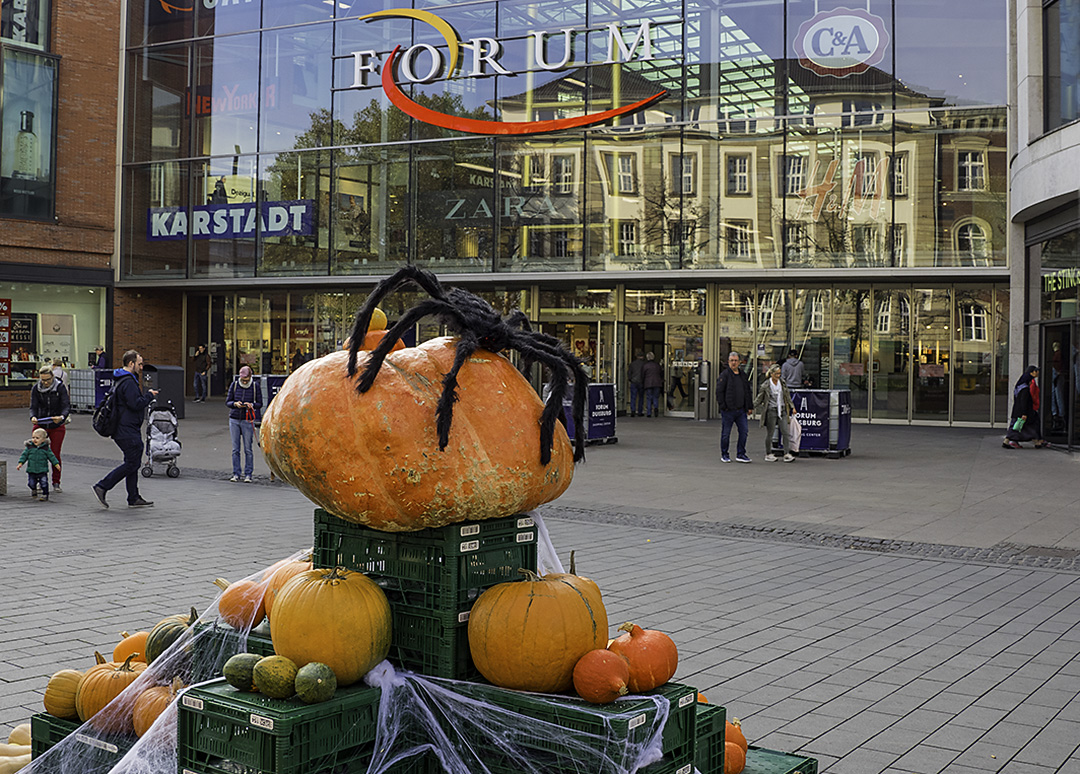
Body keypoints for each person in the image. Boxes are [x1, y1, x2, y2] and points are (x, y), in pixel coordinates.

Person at [92, 350, 158, 508]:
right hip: (125, 429)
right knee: (132, 463)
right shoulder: (128, 381)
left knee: (132, 461)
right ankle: (103, 486)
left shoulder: (122, 379)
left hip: (124, 428)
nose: (141, 367)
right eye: (139, 363)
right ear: (131, 363)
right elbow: (135, 404)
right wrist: (149, 396)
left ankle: (133, 497)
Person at [30, 364, 70, 493]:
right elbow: (33, 406)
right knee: (36, 453)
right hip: (41, 423)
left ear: (53, 377)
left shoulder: (60, 387)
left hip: (56, 424)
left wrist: (62, 416)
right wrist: (33, 417)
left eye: (48, 379)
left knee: (54, 454)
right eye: (43, 380)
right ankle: (37, 481)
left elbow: (66, 405)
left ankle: (56, 482)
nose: (46, 382)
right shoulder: (36, 388)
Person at [227, 365, 263, 483]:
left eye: (246, 379)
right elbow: (228, 401)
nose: (244, 381)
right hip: (234, 418)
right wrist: (234, 404)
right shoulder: (235, 385)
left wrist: (251, 404)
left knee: (248, 449)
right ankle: (236, 473)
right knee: (235, 449)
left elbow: (260, 403)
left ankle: (248, 474)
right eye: (242, 379)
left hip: (247, 420)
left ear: (250, 376)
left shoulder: (255, 386)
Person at [716, 351, 754, 463]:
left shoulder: (743, 375)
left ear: (739, 362)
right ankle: (724, 454)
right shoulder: (724, 375)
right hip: (728, 411)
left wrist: (749, 406)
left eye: (736, 360)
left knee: (744, 432)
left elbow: (747, 391)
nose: (734, 363)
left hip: (741, 410)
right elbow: (719, 392)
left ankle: (741, 454)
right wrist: (724, 406)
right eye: (732, 361)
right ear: (728, 362)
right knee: (726, 434)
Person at [754, 364, 796, 462]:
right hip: (771, 410)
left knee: (785, 432)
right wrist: (751, 407)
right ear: (772, 374)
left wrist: (792, 407)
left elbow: (787, 396)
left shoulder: (782, 383)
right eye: (776, 374)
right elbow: (759, 398)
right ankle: (768, 453)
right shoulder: (766, 385)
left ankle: (786, 453)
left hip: (782, 409)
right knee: (770, 433)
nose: (778, 376)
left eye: (779, 374)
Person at [1004, 365, 1049, 449]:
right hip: (1024, 411)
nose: (1037, 373)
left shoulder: (1021, 384)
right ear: (1031, 373)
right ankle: (1037, 441)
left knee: (1022, 427)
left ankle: (1037, 441)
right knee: (1026, 426)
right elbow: (1024, 401)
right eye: (1036, 371)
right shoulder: (1024, 388)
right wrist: (1024, 413)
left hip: (1020, 411)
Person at [17, 428, 61, 502]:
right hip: (32, 470)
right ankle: (33, 489)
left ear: (43, 440)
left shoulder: (45, 449)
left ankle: (45, 494)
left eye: (37, 438)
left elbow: (52, 457)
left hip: (42, 470)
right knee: (31, 483)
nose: (34, 440)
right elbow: (24, 456)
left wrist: (56, 464)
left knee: (44, 483)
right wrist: (20, 463)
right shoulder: (29, 447)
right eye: (33, 437)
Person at [641, 352, 663, 418]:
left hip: (648, 383)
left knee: (648, 398)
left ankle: (649, 412)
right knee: (655, 397)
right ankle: (656, 409)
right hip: (657, 383)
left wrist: (643, 382)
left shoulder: (645, 366)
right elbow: (661, 373)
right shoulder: (657, 365)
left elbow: (643, 375)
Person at [628, 351, 645, 417]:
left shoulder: (632, 364)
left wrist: (630, 379)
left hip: (634, 382)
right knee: (641, 397)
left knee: (633, 397)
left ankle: (633, 410)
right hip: (641, 382)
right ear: (642, 357)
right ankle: (640, 411)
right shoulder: (644, 364)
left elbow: (629, 373)